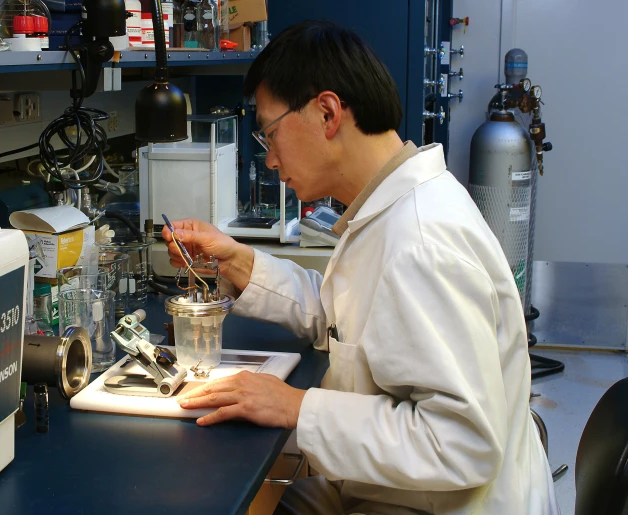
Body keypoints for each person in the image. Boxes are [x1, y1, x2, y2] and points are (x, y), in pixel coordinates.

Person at [164, 21, 558, 515]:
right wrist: (241, 261)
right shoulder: (389, 209)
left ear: (327, 113)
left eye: (269, 133)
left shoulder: (421, 238)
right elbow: (349, 321)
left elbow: (461, 443)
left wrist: (295, 407)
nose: (269, 160)